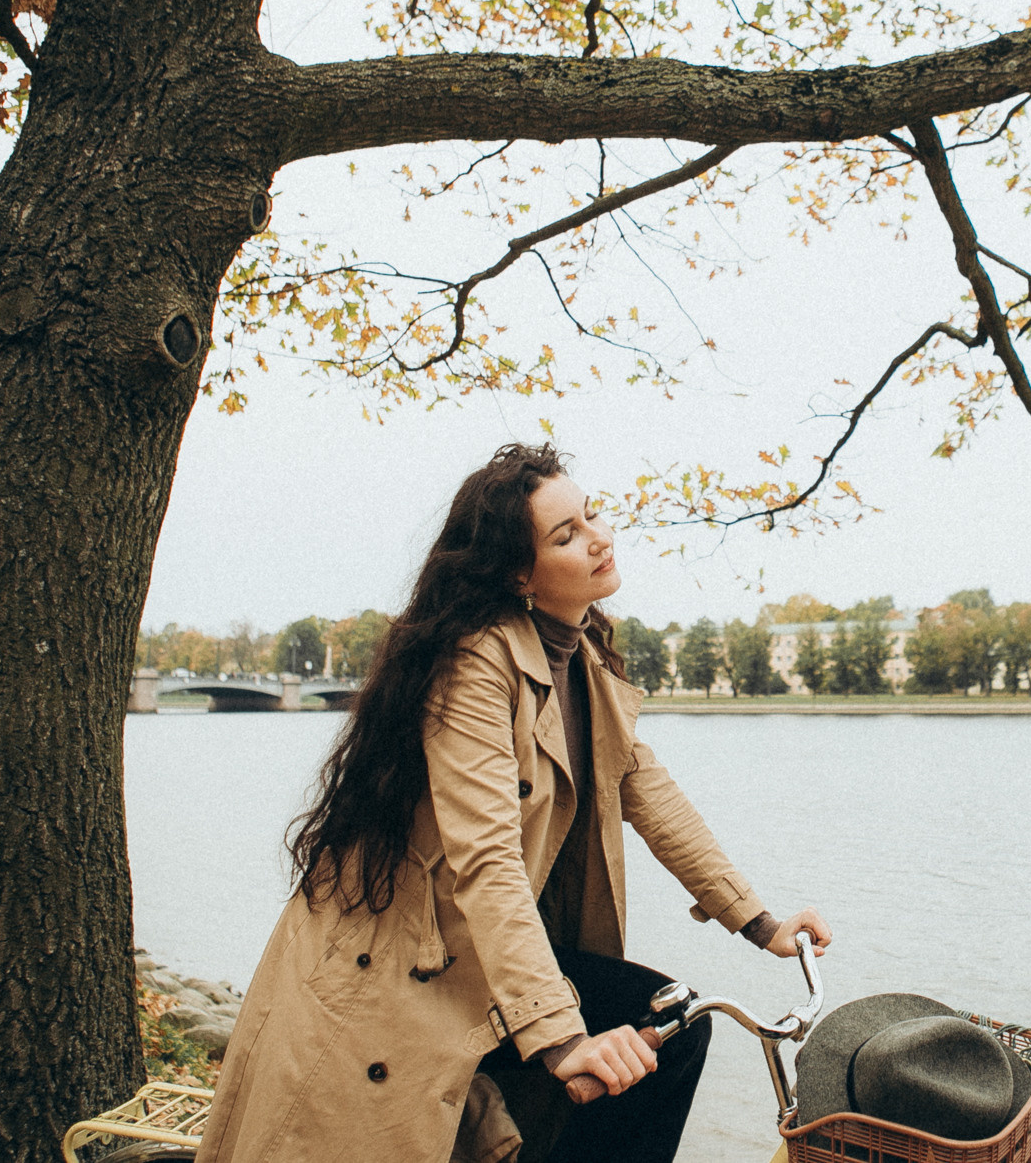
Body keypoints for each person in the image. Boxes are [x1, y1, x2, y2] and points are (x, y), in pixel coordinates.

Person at [196, 443, 831, 1163]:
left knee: (672, 1030)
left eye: (590, 515)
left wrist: (760, 922)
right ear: (518, 573)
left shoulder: (582, 656)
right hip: (404, 964)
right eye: (566, 535)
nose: (598, 537)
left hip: (482, 944)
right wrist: (563, 1038)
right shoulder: (474, 664)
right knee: (617, 1055)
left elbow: (648, 792)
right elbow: (487, 860)